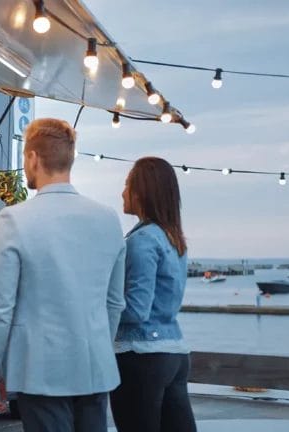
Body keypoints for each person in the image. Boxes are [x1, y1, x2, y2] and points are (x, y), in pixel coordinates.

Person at [0, 118, 126, 432]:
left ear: (33, 158)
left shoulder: (14, 219)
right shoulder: (108, 218)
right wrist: (98, 345)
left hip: (39, 370)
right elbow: (114, 303)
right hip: (94, 368)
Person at [109, 156, 197, 432]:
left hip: (141, 354)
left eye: (127, 185)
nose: (122, 192)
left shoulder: (141, 241)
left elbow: (136, 310)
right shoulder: (173, 238)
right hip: (175, 353)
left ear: (142, 192)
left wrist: (99, 309)